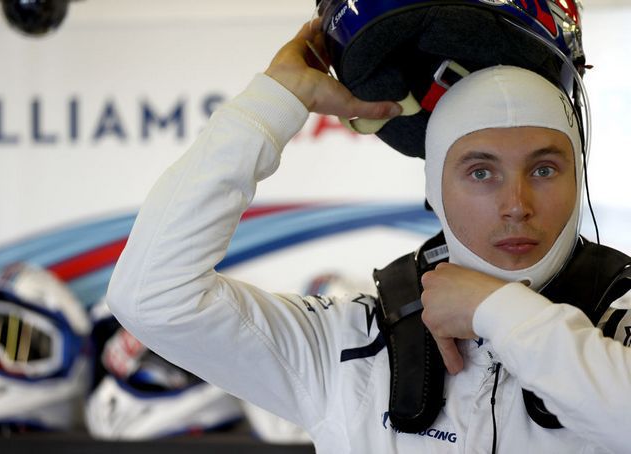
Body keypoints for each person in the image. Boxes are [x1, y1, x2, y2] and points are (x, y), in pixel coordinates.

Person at [107, 23, 631, 453]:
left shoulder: (621, 322)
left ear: (578, 178)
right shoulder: (351, 343)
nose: (516, 204)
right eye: (480, 172)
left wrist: (495, 310)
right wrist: (272, 103)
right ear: (435, 188)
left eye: (544, 169)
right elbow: (152, 296)